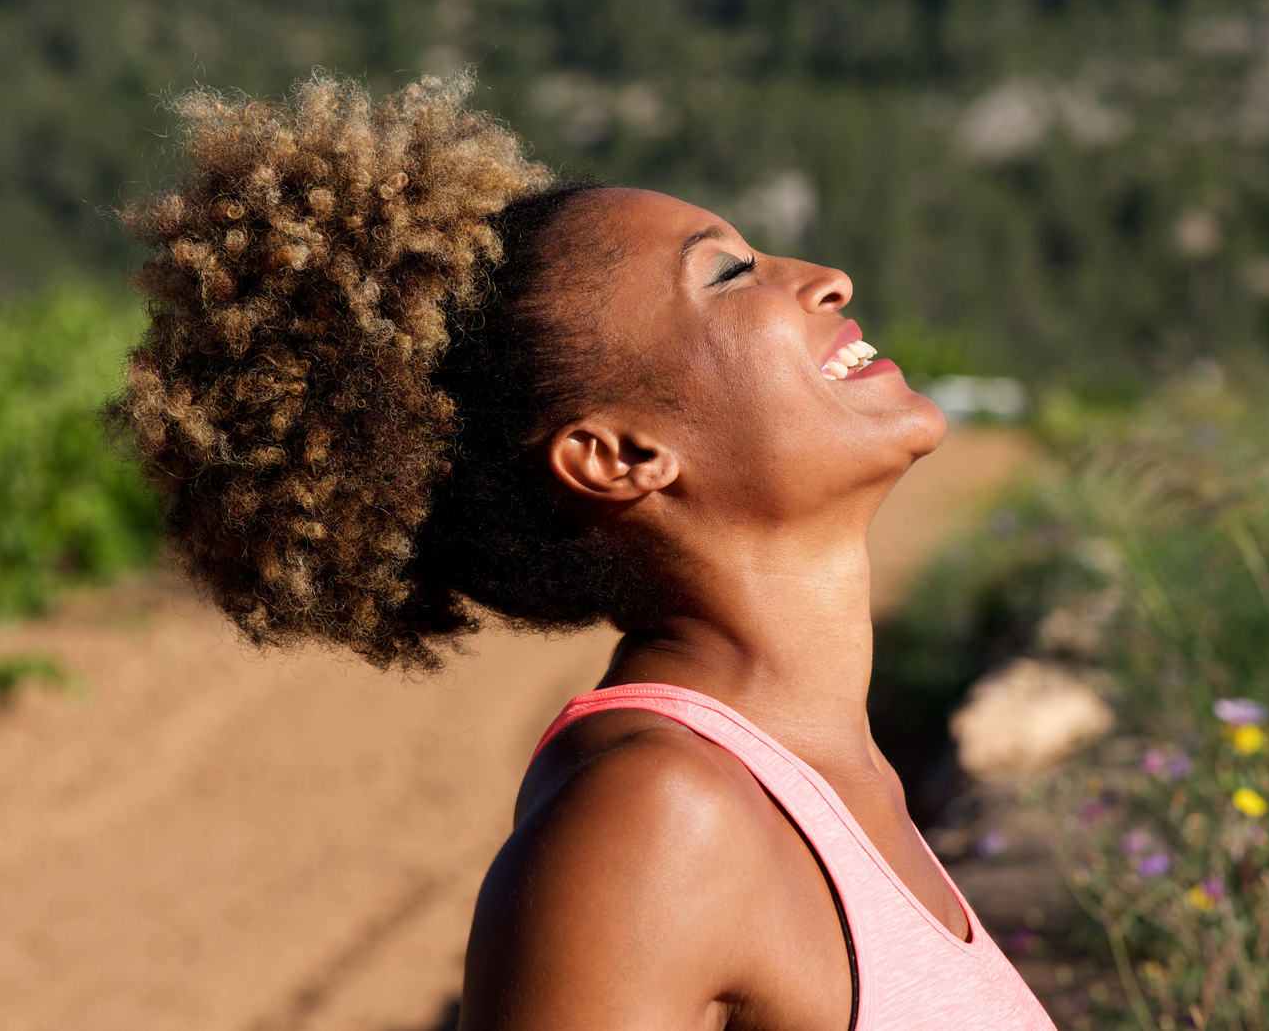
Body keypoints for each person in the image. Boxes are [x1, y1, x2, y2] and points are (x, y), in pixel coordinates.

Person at [111, 73, 1054, 1031]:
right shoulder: (658, 821)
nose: (823, 278)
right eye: (726, 275)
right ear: (618, 458)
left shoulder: (837, 779)